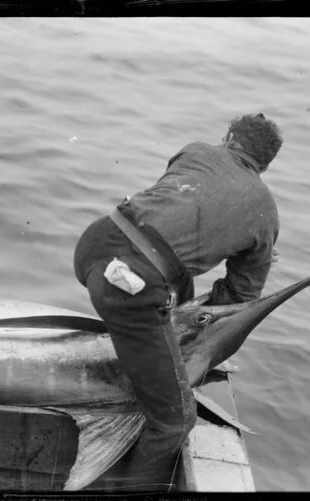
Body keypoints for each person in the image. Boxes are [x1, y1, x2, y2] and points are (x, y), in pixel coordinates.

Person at [73, 113, 282, 491]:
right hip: (127, 288)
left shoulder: (197, 151)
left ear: (231, 138)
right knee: (175, 421)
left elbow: (168, 218)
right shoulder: (266, 212)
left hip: (95, 244)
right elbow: (240, 298)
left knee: (171, 286)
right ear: (266, 164)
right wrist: (254, 251)